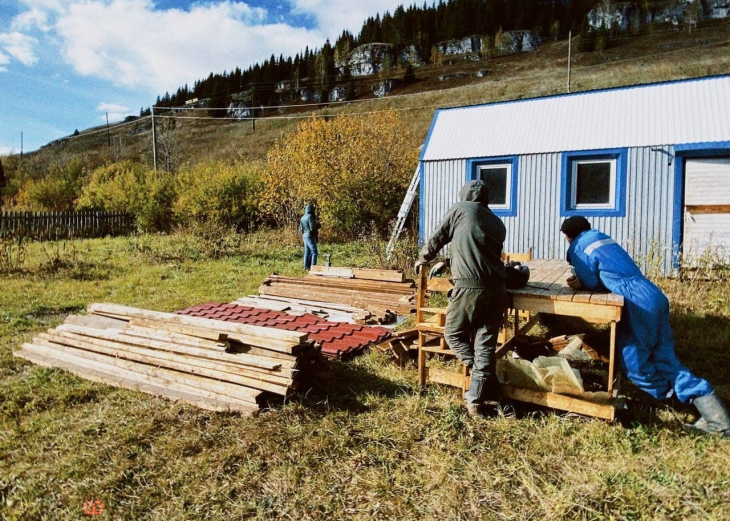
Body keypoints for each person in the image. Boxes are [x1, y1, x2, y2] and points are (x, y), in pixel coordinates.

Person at [561, 215, 730, 437]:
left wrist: (579, 280)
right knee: (666, 359)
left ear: (568, 236)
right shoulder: (602, 237)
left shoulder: (577, 246)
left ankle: (672, 401)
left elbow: (592, 281)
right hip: (653, 294)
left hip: (635, 301)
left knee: (634, 366)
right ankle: (716, 417)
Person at [415, 180, 507, 417]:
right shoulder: (497, 222)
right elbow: (480, 252)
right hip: (497, 290)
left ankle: (480, 375)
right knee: (484, 342)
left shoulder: (460, 209)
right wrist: (448, 262)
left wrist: (423, 258)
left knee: (453, 333)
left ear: (465, 195)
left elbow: (439, 236)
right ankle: (476, 400)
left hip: (470, 288)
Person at [299, 204, 319, 271]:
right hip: (310, 235)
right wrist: (317, 227)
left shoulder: (302, 217)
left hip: (304, 235)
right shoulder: (310, 217)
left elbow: (301, 229)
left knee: (307, 252)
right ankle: (313, 267)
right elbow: (312, 228)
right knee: (314, 252)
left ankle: (305, 267)